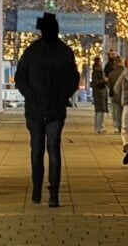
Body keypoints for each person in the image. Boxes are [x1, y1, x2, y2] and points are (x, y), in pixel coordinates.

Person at [15, 12, 80, 208]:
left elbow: (20, 78)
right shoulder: (65, 52)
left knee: (37, 149)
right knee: (53, 149)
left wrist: (30, 96)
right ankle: (53, 193)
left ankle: (37, 189)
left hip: (36, 108)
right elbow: (73, 79)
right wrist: (62, 98)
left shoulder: (32, 51)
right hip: (55, 108)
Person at [107, 54, 125, 133]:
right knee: (124, 112)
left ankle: (118, 126)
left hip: (115, 95)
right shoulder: (126, 72)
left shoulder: (111, 74)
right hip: (125, 95)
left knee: (117, 112)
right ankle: (124, 126)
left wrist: (111, 94)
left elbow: (110, 86)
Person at [91, 57, 109, 133]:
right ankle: (98, 128)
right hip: (99, 93)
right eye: (100, 61)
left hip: (99, 93)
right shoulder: (97, 71)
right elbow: (97, 82)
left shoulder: (97, 71)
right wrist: (104, 80)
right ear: (98, 62)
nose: (101, 62)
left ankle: (99, 127)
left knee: (99, 110)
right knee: (100, 110)